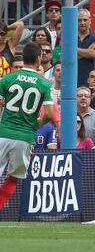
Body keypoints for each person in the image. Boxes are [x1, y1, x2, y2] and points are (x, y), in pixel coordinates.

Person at [0, 42, 54, 210]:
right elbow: (50, 114)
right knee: (14, 177)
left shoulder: (7, 79)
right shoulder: (44, 84)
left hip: (3, 132)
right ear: (39, 58)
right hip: (25, 136)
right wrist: (36, 124)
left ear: (23, 59)